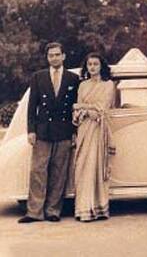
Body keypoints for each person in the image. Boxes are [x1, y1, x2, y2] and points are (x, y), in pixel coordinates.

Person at [19, 42, 80, 223]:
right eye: (50, 55)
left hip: (64, 131)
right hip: (43, 131)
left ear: (63, 56)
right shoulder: (38, 77)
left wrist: (74, 132)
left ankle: (53, 210)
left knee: (59, 172)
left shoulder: (73, 79)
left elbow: (76, 108)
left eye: (57, 54)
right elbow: (32, 107)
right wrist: (31, 130)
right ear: (47, 58)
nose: (54, 58)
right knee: (38, 171)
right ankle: (34, 212)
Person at [73, 52, 115, 222]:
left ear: (101, 66)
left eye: (95, 64)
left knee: (96, 167)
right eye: (89, 64)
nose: (92, 67)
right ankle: (83, 209)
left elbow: (102, 109)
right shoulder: (82, 85)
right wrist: (83, 109)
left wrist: (83, 107)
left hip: (99, 130)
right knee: (82, 167)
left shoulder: (108, 85)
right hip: (83, 130)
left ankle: (98, 208)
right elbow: (76, 110)